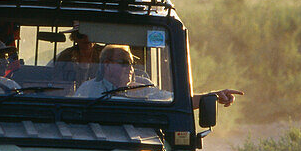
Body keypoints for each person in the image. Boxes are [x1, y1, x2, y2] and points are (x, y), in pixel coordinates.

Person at [74, 45, 243, 108]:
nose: (130, 68)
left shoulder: (144, 89)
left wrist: (213, 96)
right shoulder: (88, 90)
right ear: (106, 65)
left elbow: (179, 101)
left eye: (132, 64)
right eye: (124, 63)